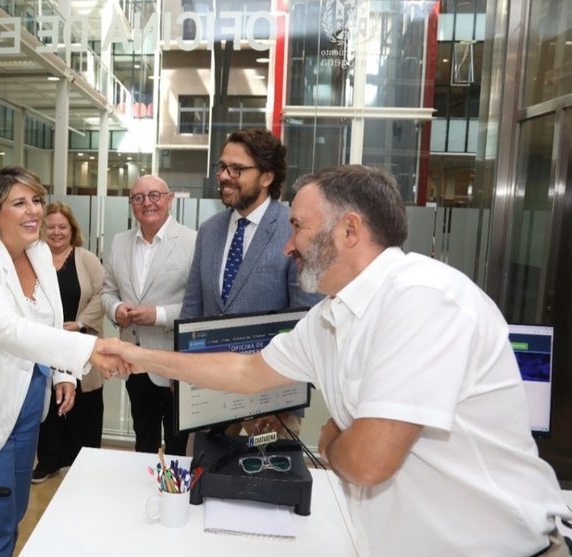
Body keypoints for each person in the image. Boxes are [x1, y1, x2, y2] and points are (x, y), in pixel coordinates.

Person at [106, 165, 572, 557]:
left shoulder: (424, 300)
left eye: (297, 228)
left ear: (350, 230)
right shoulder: (331, 316)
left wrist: (330, 443)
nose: (288, 247)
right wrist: (135, 354)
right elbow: (247, 371)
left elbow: (369, 462)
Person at [0, 166, 128, 557]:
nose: (34, 210)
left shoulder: (38, 254)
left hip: (24, 412)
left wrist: (63, 374)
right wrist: (88, 351)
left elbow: (49, 321)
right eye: (19, 203)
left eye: (36, 199)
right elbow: (6, 330)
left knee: (14, 512)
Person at [181, 128, 321, 438]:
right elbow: (193, 308)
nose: (224, 176)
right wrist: (184, 374)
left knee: (267, 484)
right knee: (204, 481)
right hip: (209, 392)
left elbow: (306, 319)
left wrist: (289, 397)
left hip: (271, 400)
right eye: (222, 167)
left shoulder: (293, 228)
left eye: (237, 169)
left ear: (267, 177)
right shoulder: (209, 230)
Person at [100, 175, 197, 457]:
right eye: (139, 198)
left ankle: (175, 498)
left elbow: (198, 305)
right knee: (143, 435)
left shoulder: (193, 241)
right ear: (132, 205)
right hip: (134, 357)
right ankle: (143, 492)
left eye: (155, 195)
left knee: (178, 440)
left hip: (175, 359)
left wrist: (158, 315)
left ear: (169, 199)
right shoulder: (119, 242)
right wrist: (117, 310)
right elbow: (107, 292)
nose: (147, 203)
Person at [31, 202, 106, 484]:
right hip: (45, 346)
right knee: (50, 406)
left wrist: (80, 323)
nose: (56, 232)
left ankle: (84, 465)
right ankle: (49, 460)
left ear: (72, 229)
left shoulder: (86, 259)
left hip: (81, 345)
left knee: (85, 407)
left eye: (62, 227)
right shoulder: (33, 259)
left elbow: (103, 294)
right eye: (50, 227)